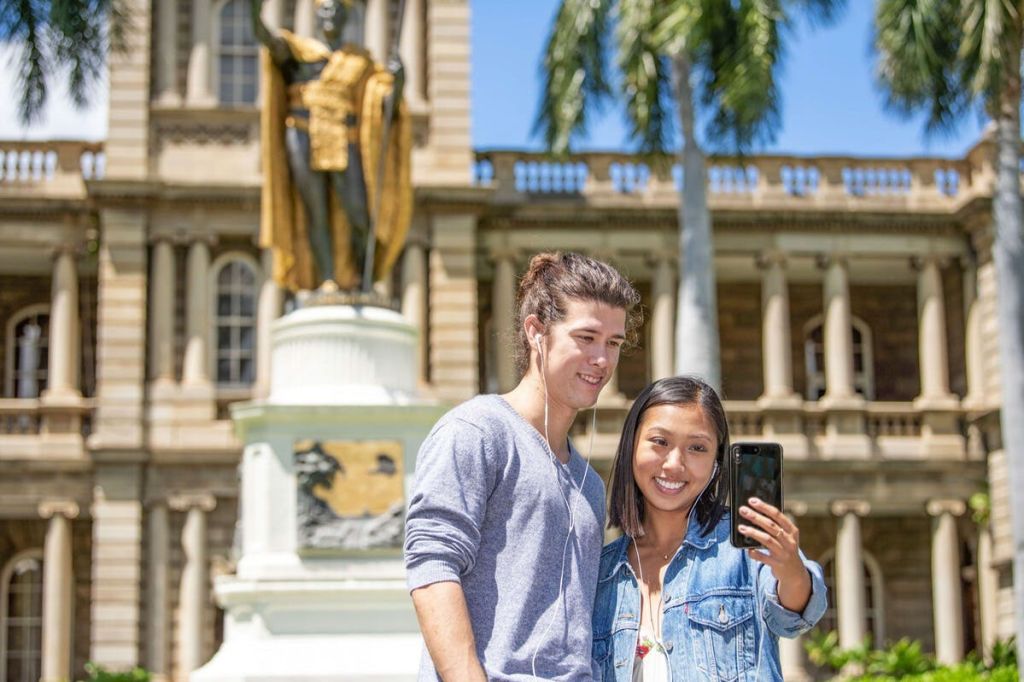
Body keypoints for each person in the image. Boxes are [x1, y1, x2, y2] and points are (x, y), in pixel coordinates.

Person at [404, 252, 641, 681]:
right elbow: (432, 564)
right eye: (586, 337)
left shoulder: (588, 482)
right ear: (536, 332)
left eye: (614, 343)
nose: (602, 360)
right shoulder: (477, 431)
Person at [593, 376, 826, 681]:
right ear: (632, 446)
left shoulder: (743, 548)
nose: (674, 464)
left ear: (717, 462)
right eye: (660, 442)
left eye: (697, 448)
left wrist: (790, 568)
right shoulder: (601, 571)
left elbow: (793, 616)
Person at [252, 0, 412, 291]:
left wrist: (398, 82)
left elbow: (384, 107)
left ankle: (363, 278)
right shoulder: (300, 54)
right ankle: (326, 278)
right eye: (325, 9)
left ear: (345, 17)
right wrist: (253, 9)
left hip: (344, 138)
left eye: (336, 10)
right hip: (301, 134)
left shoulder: (359, 62)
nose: (330, 15)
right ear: (317, 15)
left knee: (357, 213)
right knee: (316, 212)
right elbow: (266, 38)